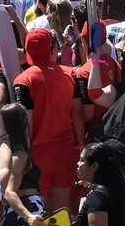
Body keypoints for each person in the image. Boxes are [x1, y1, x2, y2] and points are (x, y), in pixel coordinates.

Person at [14, 28, 84, 213]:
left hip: (37, 155)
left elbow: (25, 123)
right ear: (53, 49)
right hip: (66, 151)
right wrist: (81, 145)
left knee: (42, 211)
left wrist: (24, 156)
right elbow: (77, 112)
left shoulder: (22, 80)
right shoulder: (71, 74)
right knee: (64, 209)